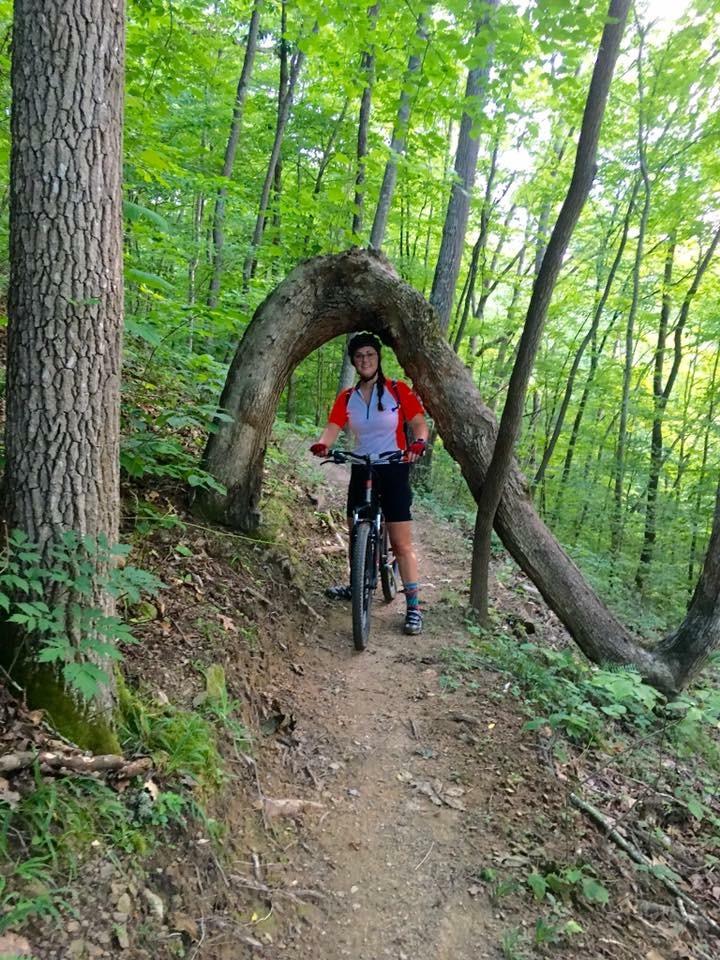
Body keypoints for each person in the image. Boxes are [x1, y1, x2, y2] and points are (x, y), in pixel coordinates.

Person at [310, 333, 428, 636]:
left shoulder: (397, 390)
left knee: (401, 543)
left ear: (378, 358)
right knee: (356, 530)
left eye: (370, 355)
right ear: (353, 361)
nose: (365, 360)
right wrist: (323, 445)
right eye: (359, 356)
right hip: (362, 468)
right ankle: (357, 583)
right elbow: (333, 427)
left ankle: (413, 606)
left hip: (394, 467)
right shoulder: (347, 398)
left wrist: (419, 443)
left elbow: (418, 423)